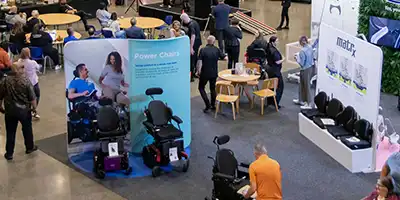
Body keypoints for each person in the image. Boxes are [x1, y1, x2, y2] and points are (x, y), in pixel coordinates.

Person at [0, 63, 38, 161]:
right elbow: (32, 97)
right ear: (19, 70)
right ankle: (29, 147)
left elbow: (0, 96)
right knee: (27, 129)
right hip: (24, 111)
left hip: (10, 111)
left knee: (10, 132)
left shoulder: (5, 81)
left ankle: (9, 153)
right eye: (22, 67)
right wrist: (34, 108)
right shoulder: (25, 81)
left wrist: (0, 106)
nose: (23, 69)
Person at [196, 36, 226, 113]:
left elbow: (200, 62)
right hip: (214, 73)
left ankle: (207, 104)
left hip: (204, 73)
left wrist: (198, 71)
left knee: (201, 88)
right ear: (213, 42)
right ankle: (213, 105)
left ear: (207, 41)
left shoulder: (202, 50)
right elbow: (225, 58)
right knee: (212, 89)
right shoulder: (216, 49)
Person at [18, 48, 41, 119]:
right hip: (33, 83)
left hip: (24, 82)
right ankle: (34, 110)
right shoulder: (32, 62)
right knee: (36, 96)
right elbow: (38, 68)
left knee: (27, 98)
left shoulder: (19, 61)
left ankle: (28, 111)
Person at [293, 36, 314, 109]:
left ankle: (309, 103)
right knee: (302, 84)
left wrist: (297, 59)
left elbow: (302, 64)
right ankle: (301, 99)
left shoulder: (302, 51)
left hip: (305, 70)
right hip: (310, 68)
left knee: (306, 86)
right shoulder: (310, 47)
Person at [180, 13, 202, 82]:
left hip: (194, 44)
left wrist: (191, 47)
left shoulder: (191, 25)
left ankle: (191, 76)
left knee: (192, 60)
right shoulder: (194, 22)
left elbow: (193, 36)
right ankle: (196, 72)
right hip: (198, 42)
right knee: (195, 58)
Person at [266, 36, 285, 108]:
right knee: (280, 86)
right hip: (275, 71)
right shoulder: (274, 51)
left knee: (271, 85)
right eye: (277, 41)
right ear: (273, 42)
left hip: (270, 69)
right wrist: (283, 59)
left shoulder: (268, 48)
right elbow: (277, 62)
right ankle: (276, 102)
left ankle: (269, 101)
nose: (278, 42)